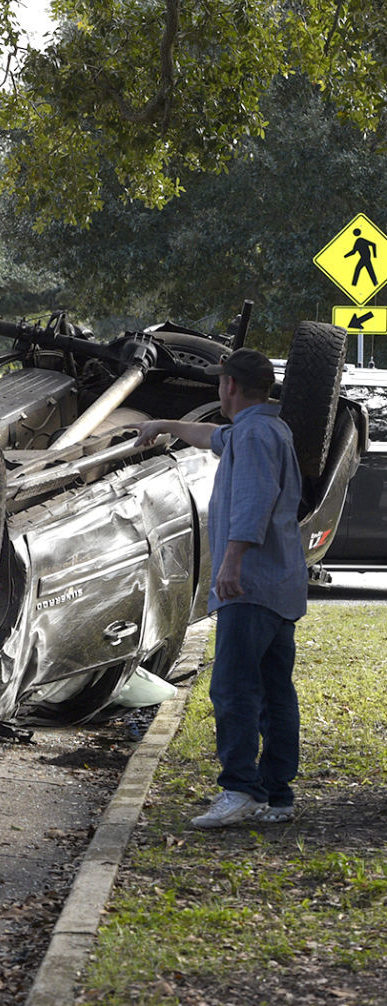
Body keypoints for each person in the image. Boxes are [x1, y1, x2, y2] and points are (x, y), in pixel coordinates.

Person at [135, 348, 304, 829]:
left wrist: (230, 565)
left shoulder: (253, 435)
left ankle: (239, 789)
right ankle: (277, 795)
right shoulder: (269, 428)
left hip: (248, 586)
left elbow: (252, 505)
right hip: (279, 587)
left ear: (229, 385)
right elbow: (212, 436)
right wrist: (166, 425)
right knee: (275, 694)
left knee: (233, 690)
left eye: (220, 383)